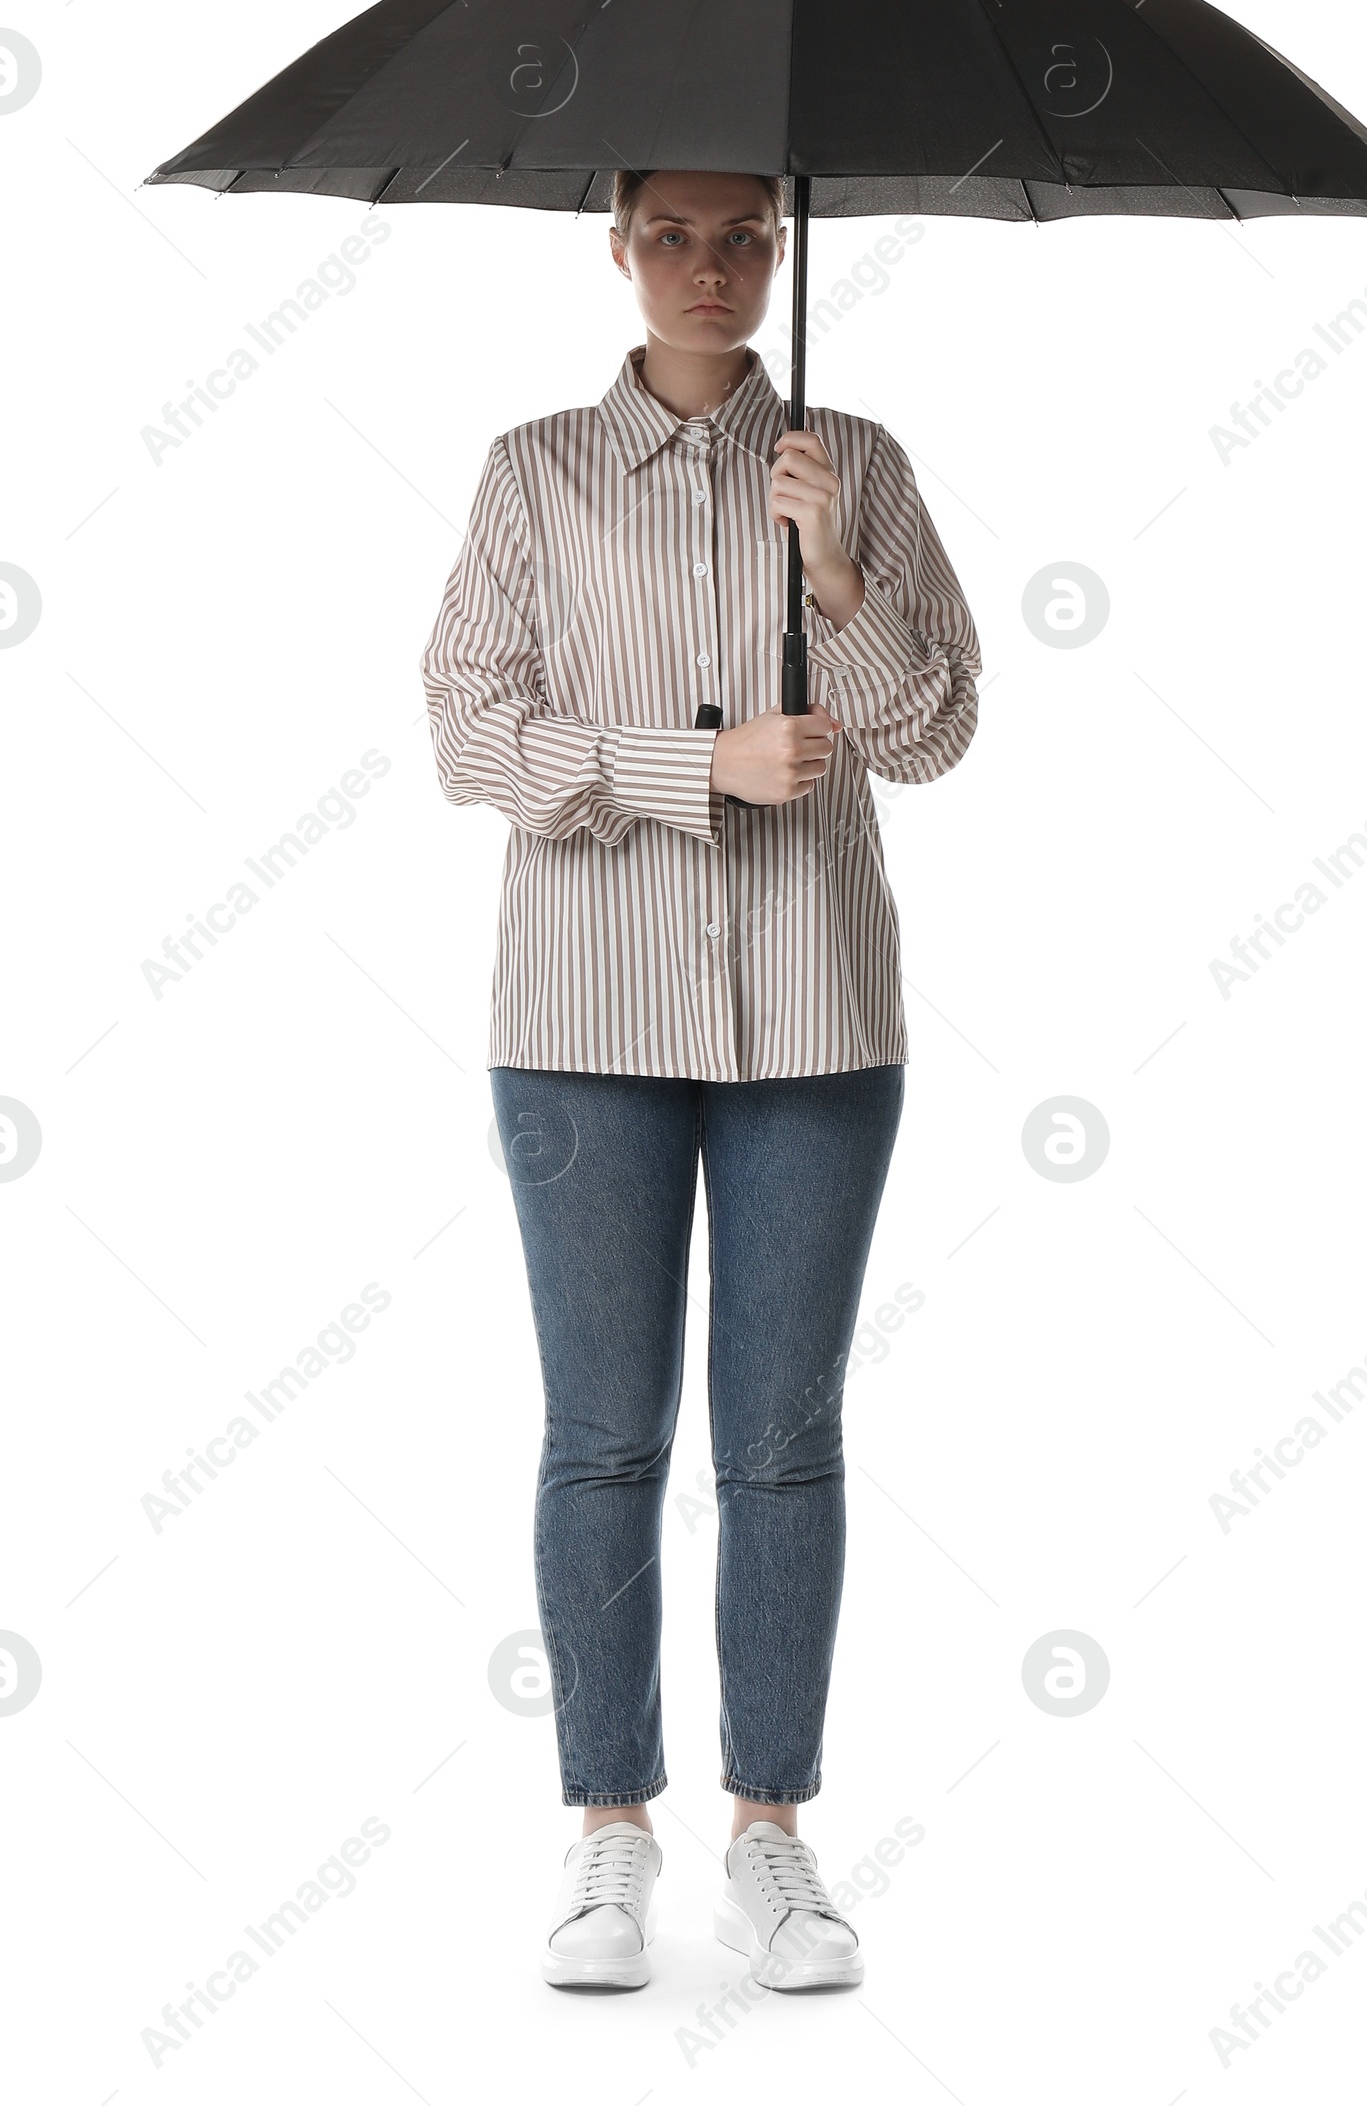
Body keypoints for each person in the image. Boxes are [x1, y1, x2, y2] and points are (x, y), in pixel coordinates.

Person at [418, 169, 981, 1992]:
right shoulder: (533, 470)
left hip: (816, 1017)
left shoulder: (857, 458)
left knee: (784, 1440)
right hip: (583, 1024)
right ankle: (605, 1829)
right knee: (601, 1434)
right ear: (614, 243)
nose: (714, 266)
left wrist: (839, 574)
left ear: (788, 244)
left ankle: (773, 1836)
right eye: (674, 231)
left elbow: (938, 729)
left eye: (748, 232)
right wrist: (690, 762)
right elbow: (466, 731)